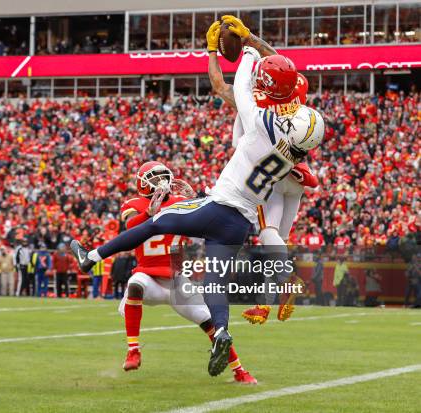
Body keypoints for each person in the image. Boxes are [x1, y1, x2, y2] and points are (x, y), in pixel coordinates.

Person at [71, 40, 325, 376]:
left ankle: (91, 258)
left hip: (219, 206)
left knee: (155, 222)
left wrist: (247, 51)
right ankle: (221, 332)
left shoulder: (261, 126)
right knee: (215, 285)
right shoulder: (293, 152)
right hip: (240, 223)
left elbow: (244, 91)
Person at [206, 18, 318, 324]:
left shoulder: (253, 103)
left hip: (267, 173)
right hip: (296, 173)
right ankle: (266, 304)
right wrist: (251, 39)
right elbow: (284, 64)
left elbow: (219, 85)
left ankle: (288, 280)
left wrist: (212, 52)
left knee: (268, 233)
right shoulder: (298, 88)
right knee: (277, 240)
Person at [116, 161, 257, 383]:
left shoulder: (180, 202)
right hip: (148, 275)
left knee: (210, 322)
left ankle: (239, 371)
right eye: (155, 179)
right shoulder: (133, 204)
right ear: (142, 183)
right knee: (135, 284)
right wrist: (148, 214)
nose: (161, 183)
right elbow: (129, 227)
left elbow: (211, 217)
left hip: (176, 280)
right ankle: (133, 350)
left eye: (163, 177)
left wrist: (198, 199)